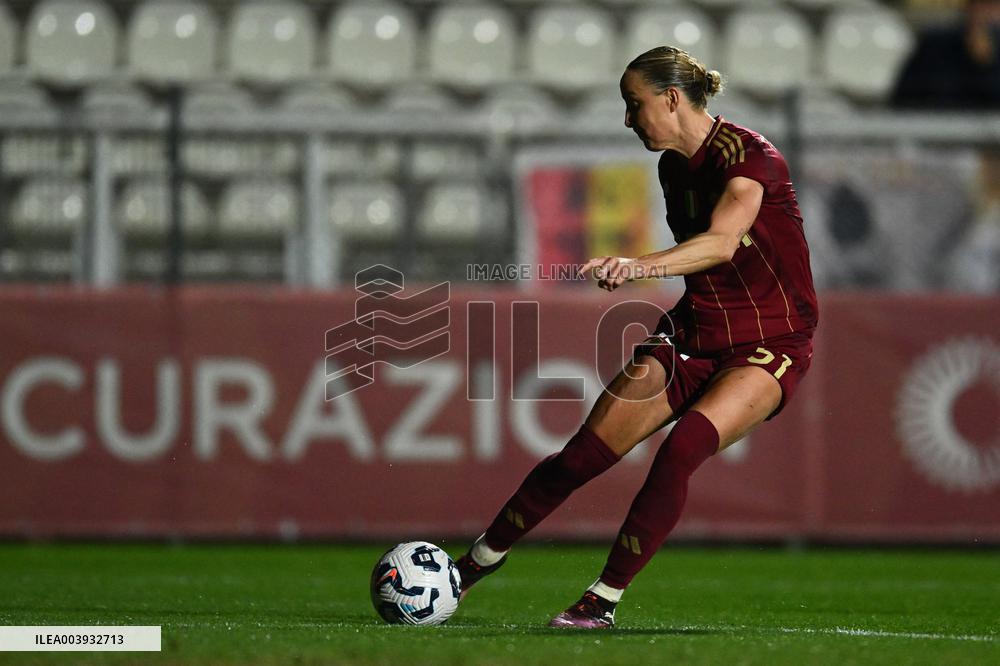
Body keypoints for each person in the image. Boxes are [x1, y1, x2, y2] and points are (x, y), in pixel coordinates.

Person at [455, 46, 819, 629]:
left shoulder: (751, 159)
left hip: (770, 342)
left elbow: (722, 244)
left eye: (634, 104)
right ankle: (468, 569)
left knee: (681, 450)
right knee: (580, 457)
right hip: (694, 331)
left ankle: (600, 600)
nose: (628, 120)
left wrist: (638, 264)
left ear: (672, 99)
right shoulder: (672, 167)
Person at [892, 0, 1000, 109]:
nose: (987, 14)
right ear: (969, 8)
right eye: (982, 6)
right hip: (933, 120)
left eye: (994, 8)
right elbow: (905, 96)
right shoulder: (933, 45)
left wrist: (985, 63)